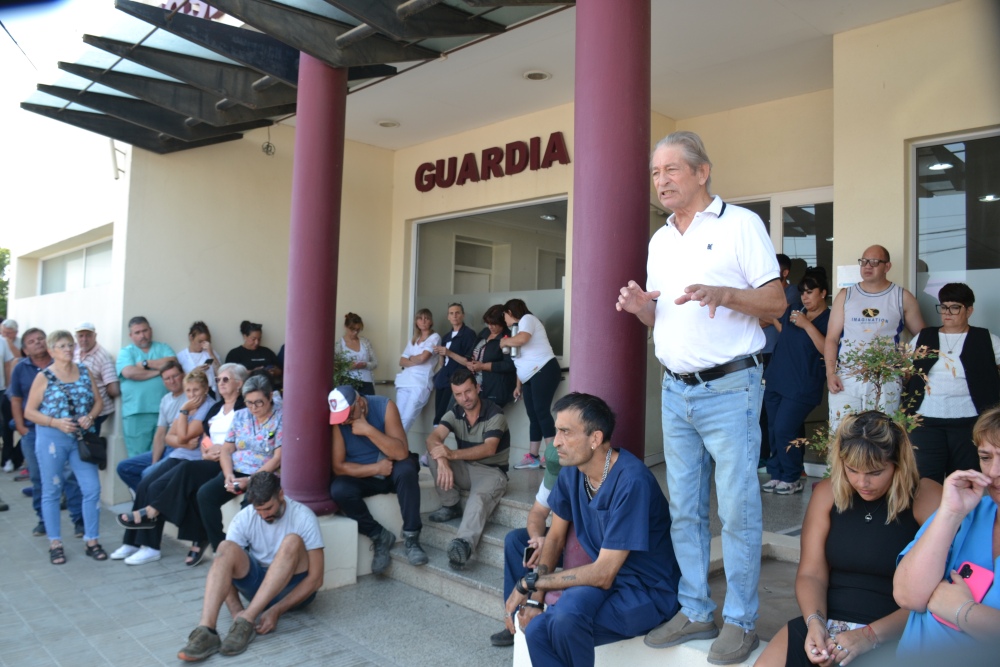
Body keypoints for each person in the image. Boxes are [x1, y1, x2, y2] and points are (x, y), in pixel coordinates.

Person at [617, 130, 786, 664]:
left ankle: (738, 620)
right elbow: (660, 316)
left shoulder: (741, 224)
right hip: (675, 389)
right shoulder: (660, 240)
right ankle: (695, 610)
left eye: (671, 170)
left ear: (701, 171)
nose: (661, 181)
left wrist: (727, 294)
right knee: (684, 510)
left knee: (737, 511)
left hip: (731, 387)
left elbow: (777, 301)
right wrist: (641, 307)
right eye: (655, 173)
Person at [504, 393, 681, 667]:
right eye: (556, 431)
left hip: (647, 591)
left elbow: (602, 573)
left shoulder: (632, 481)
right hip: (611, 584)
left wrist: (530, 583)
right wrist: (536, 600)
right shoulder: (573, 471)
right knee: (538, 629)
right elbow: (555, 537)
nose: (556, 442)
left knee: (564, 624)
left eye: (565, 432)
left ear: (595, 439)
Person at [753, 410, 941, 667]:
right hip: (828, 623)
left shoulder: (925, 496)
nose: (862, 482)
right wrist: (815, 623)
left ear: (898, 463)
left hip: (897, 631)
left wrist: (869, 636)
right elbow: (811, 573)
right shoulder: (830, 492)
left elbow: (938, 596)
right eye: (852, 470)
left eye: (875, 472)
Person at [177, 471, 324, 662]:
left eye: (268, 508)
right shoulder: (245, 517)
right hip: (258, 585)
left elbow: (316, 579)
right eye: (258, 510)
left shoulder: (303, 516)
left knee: (292, 541)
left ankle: (247, 620)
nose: (263, 515)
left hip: (291, 589)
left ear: (281, 494)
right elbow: (225, 567)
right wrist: (236, 610)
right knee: (224, 548)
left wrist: (277, 609)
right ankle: (207, 630)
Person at [113, 364, 248, 566]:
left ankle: (152, 514)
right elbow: (204, 437)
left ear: (240, 384)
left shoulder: (243, 408)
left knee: (186, 474)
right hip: (209, 459)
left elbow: (244, 439)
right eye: (218, 379)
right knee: (152, 484)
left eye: (225, 379)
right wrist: (206, 450)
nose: (220, 383)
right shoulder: (216, 408)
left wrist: (221, 450)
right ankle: (137, 538)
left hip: (229, 463)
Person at [893, 406, 1000, 655]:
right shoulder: (966, 513)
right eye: (986, 458)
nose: (994, 472)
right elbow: (908, 595)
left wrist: (962, 611)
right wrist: (950, 514)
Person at [23, 330, 107, 564]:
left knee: (91, 489)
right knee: (52, 489)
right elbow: (29, 411)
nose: (68, 349)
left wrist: (90, 417)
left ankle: (92, 539)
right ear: (51, 351)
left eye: (70, 345)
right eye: (61, 346)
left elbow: (98, 401)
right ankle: (55, 542)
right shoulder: (44, 376)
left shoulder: (84, 371)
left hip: (80, 439)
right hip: (52, 437)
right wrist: (55, 422)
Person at [903, 283, 1000, 483]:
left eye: (955, 307)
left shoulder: (986, 339)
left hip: (970, 422)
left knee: (966, 479)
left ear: (969, 310)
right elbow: (903, 371)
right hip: (925, 421)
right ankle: (932, 516)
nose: (947, 313)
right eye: (944, 307)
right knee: (925, 480)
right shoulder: (924, 337)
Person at [328, 385, 427, 574]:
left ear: (359, 402)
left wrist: (368, 430)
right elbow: (339, 467)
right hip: (366, 475)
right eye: (341, 417)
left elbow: (400, 452)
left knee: (407, 468)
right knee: (339, 489)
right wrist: (375, 468)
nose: (345, 420)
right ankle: (379, 535)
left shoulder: (384, 406)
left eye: (348, 414)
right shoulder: (338, 423)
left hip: (393, 470)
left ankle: (412, 537)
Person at [825, 245, 925, 430]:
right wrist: (831, 373)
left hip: (885, 378)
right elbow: (831, 338)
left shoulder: (901, 297)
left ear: (887, 266)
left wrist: (908, 367)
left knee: (881, 437)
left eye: (874, 262)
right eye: (863, 261)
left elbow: (924, 338)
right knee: (842, 436)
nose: (867, 266)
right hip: (847, 378)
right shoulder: (846, 295)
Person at [426, 368, 510, 569]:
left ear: (478, 388)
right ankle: (451, 504)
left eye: (468, 391)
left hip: (492, 472)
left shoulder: (495, 413)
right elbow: (433, 438)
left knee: (477, 499)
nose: (465, 398)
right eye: (458, 394)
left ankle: (462, 545)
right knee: (432, 456)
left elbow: (489, 448)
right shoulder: (455, 411)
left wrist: (451, 454)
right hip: (466, 468)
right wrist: (444, 461)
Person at [761, 267, 831, 495]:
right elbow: (784, 332)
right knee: (772, 430)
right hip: (777, 378)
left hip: (802, 385)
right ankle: (777, 474)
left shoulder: (829, 318)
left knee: (784, 429)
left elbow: (827, 349)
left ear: (823, 293)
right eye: (802, 292)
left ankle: (792, 477)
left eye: (810, 292)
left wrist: (807, 324)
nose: (805, 297)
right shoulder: (794, 310)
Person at [8, 327, 83, 537]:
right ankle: (43, 520)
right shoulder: (20, 368)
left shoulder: (61, 364)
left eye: (41, 338)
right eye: (32, 341)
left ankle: (79, 520)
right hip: (32, 432)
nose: (38, 342)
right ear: (25, 349)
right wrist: (21, 427)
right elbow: (16, 399)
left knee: (70, 476)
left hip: (63, 430)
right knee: (38, 477)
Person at [197, 374, 282, 551]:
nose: (253, 407)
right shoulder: (241, 415)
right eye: (249, 402)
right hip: (237, 470)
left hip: (264, 473)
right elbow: (227, 450)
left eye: (258, 402)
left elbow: (277, 458)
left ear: (270, 397)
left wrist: (250, 480)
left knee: (248, 506)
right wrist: (228, 475)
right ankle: (220, 548)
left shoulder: (281, 417)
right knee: (205, 495)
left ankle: (245, 553)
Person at [490, 441, 563, 647]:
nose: (557, 439)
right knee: (515, 540)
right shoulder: (555, 466)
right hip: (557, 536)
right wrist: (538, 538)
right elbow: (537, 513)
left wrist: (548, 543)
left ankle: (534, 612)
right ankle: (513, 621)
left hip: (581, 542)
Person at [501, 298, 560, 471]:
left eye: (504, 314)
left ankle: (552, 457)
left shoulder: (527, 319)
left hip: (544, 369)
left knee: (541, 411)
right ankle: (533, 456)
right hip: (529, 376)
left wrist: (504, 342)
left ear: (510, 313)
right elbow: (520, 361)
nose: (504, 319)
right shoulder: (516, 331)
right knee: (533, 415)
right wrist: (518, 385)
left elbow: (523, 339)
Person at [116, 362, 186, 494]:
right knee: (124, 467)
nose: (172, 381)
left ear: (182, 375)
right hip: (167, 448)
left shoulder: (190, 396)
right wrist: (155, 462)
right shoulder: (166, 400)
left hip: (181, 449)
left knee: (148, 474)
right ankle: (151, 502)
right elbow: (160, 434)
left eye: (175, 376)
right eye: (167, 378)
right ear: (163, 381)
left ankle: (150, 505)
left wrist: (153, 470)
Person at [116, 316, 178, 457]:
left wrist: (146, 364)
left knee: (163, 457)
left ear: (150, 330)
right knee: (138, 457)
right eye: (137, 333)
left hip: (165, 411)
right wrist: (159, 371)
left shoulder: (163, 348)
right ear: (130, 336)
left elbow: (173, 363)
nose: (142, 336)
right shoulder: (126, 352)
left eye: (145, 331)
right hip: (137, 412)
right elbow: (129, 372)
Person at [394, 308, 441, 433]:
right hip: (404, 382)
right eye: (420, 318)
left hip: (420, 383)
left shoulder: (434, 337)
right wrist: (415, 359)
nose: (423, 321)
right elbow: (401, 361)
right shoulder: (414, 340)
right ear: (416, 322)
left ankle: (394, 448)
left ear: (431, 321)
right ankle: (396, 448)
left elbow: (423, 358)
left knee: (407, 419)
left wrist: (410, 358)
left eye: (427, 318)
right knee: (396, 418)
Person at [432, 302, 477, 424]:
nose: (454, 316)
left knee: (446, 416)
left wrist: (449, 353)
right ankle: (437, 440)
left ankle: (439, 440)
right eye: (451, 313)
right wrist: (440, 353)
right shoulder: (446, 336)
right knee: (438, 416)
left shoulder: (469, 334)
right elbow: (443, 363)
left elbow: (469, 362)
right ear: (448, 317)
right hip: (443, 378)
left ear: (463, 315)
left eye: (457, 313)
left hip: (457, 379)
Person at [72, 322, 120, 435]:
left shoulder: (103, 356)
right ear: (76, 337)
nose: (84, 339)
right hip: (79, 411)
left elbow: (113, 389)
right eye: (81, 336)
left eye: (88, 335)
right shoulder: (74, 351)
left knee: (89, 446)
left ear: (95, 336)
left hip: (96, 412)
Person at [467, 304, 518, 408]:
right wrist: (470, 362)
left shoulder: (507, 337)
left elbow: (510, 365)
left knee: (486, 419)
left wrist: (483, 366)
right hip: (474, 383)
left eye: (494, 324)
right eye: (488, 323)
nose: (490, 327)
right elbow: (472, 352)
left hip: (495, 387)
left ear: (502, 322)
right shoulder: (485, 332)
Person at [335, 313, 378, 396]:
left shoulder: (365, 342)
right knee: (351, 406)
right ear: (346, 327)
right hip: (348, 381)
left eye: (358, 330)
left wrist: (365, 364)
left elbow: (375, 363)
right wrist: (349, 366)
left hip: (367, 381)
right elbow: (336, 367)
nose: (355, 332)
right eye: (352, 329)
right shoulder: (339, 345)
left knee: (369, 406)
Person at [177, 321, 222, 394]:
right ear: (191, 337)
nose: (202, 345)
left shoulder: (210, 353)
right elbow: (178, 381)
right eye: (200, 341)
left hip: (212, 395)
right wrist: (193, 372)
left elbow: (221, 374)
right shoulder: (181, 357)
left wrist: (211, 354)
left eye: (205, 342)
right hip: (192, 396)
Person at [1, 321, 19, 473]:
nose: (5, 335)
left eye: (8, 332)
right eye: (3, 331)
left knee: (7, 426)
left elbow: (11, 363)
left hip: (5, 391)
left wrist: (7, 387)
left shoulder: (5, 343)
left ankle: (7, 459)